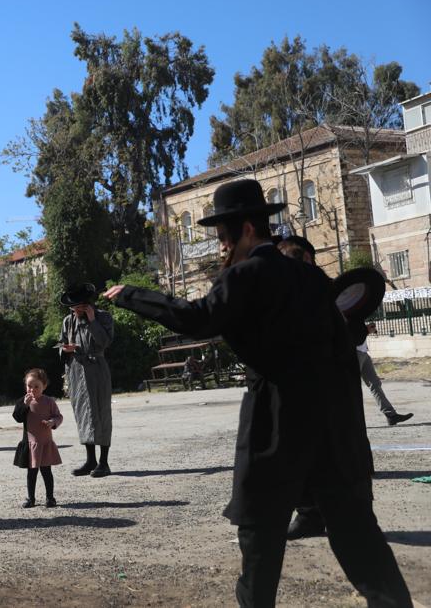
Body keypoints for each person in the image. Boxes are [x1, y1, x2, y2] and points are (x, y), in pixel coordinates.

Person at [102, 179, 411, 607]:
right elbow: (343, 352)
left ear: (247, 229)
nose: (221, 247)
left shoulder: (247, 274)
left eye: (223, 236)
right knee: (357, 533)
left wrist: (133, 296)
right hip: (333, 425)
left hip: (277, 421)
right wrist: (348, 429)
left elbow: (198, 318)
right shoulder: (311, 275)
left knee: (260, 536)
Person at [278, 236, 413, 428]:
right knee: (347, 387)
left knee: (374, 383)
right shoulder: (316, 297)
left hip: (361, 349)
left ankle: (389, 414)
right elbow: (342, 327)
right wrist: (364, 330)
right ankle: (347, 420)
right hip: (352, 349)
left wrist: (363, 330)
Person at [58, 283, 115, 477]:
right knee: (83, 413)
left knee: (101, 412)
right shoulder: (68, 321)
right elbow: (62, 343)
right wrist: (65, 349)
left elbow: (105, 342)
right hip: (76, 370)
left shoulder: (103, 317)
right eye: (73, 307)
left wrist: (92, 321)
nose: (75, 310)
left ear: (88, 304)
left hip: (97, 368)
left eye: (79, 306)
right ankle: (91, 460)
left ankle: (104, 462)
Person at [13, 368, 62, 508]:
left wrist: (53, 422)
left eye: (36, 386)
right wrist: (25, 405)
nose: (32, 389)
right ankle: (31, 498)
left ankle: (50, 498)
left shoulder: (49, 402)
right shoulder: (23, 401)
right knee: (31, 473)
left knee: (47, 472)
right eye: (29, 386)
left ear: (44, 386)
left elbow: (58, 416)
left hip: (45, 443)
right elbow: (17, 417)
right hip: (31, 444)